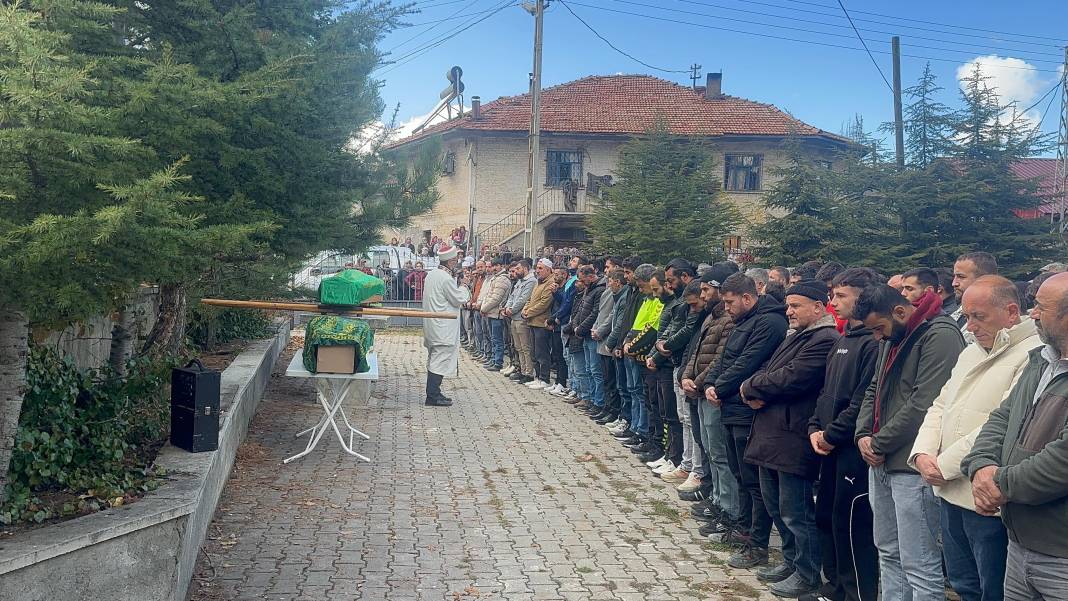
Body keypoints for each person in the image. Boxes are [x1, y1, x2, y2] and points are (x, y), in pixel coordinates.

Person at [910, 276, 1041, 601]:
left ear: (1012, 312)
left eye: (978, 316)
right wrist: (923, 452)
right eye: (966, 316)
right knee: (962, 582)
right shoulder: (971, 352)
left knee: (991, 588)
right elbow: (941, 404)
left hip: (983, 497)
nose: (969, 326)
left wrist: (943, 465)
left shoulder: (1031, 356)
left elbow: (1002, 422)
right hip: (949, 490)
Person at [853, 284, 965, 601]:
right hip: (882, 460)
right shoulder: (895, 335)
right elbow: (874, 388)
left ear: (900, 312)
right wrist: (862, 434)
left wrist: (878, 443)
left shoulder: (939, 334)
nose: (877, 337)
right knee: (888, 552)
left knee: (920, 564)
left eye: (878, 328)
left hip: (911, 465)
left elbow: (924, 403)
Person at [961, 272, 1068, 601]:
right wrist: (980, 466)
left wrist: (998, 485)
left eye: (1040, 307)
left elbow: (1061, 461)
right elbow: (1002, 418)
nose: (1031, 313)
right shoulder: (1041, 361)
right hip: (1019, 543)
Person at [740, 280, 840, 598]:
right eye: (788, 305)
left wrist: (752, 388)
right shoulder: (796, 335)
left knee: (796, 510)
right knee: (776, 505)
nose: (789, 311)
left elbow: (791, 377)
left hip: (792, 435)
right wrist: (753, 386)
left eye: (796, 306)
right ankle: (790, 561)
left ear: (818, 307)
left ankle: (807, 572)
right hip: (772, 435)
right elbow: (769, 369)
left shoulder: (825, 339)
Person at [703, 273, 788, 569]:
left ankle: (758, 545)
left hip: (747, 410)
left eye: (730, 302)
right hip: (730, 407)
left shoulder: (769, 323)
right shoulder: (741, 321)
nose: (725, 307)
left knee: (753, 481)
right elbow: (725, 358)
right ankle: (742, 530)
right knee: (740, 476)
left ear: (748, 298)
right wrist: (710, 383)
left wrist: (720, 387)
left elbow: (748, 362)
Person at [808, 267, 881, 601]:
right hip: (828, 446)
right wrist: (814, 427)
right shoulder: (842, 340)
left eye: (841, 296)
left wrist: (831, 435)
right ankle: (833, 585)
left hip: (849, 449)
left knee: (850, 523)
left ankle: (855, 593)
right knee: (826, 515)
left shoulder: (872, 344)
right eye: (832, 294)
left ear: (863, 298)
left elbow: (862, 400)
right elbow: (825, 393)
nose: (832, 302)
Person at [682, 266, 739, 518]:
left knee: (719, 454)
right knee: (707, 448)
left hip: (710, 393)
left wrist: (698, 381)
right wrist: (686, 375)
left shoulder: (727, 320)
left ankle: (727, 507)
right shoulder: (711, 316)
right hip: (698, 390)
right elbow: (696, 352)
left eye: (706, 289)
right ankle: (716, 498)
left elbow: (720, 358)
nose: (702, 295)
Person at [421, 245, 471, 407]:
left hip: (434, 324)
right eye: (455, 261)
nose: (457, 263)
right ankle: (432, 396)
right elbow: (458, 298)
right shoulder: (445, 278)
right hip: (442, 326)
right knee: (439, 359)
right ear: (450, 261)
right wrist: (464, 286)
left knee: (435, 358)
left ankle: (435, 392)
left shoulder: (432, 274)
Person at [523, 258, 557, 389]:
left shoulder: (550, 283)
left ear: (548, 270)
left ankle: (544, 378)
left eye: (541, 268)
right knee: (534, 352)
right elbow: (530, 299)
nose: (537, 271)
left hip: (541, 323)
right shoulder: (539, 282)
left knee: (542, 352)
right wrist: (525, 310)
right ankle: (537, 376)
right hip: (532, 321)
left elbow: (544, 304)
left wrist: (529, 312)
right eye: (537, 268)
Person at [503, 258, 537, 384]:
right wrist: (507, 307)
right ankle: (522, 371)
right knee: (518, 347)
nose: (516, 271)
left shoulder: (531, 281)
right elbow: (512, 296)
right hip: (513, 317)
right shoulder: (519, 281)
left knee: (525, 347)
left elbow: (523, 299)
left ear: (525, 268)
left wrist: (511, 310)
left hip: (522, 318)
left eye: (518, 269)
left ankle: (528, 373)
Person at [477, 258, 512, 371]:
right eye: (493, 265)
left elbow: (496, 298)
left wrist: (484, 308)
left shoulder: (502, 279)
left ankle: (498, 362)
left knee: (497, 339)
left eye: (497, 265)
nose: (494, 268)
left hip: (497, 313)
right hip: (491, 313)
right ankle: (493, 360)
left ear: (501, 266)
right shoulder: (495, 278)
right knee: (493, 338)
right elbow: (488, 295)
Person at [952, 252, 999, 328]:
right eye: (954, 277)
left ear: (984, 279)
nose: (954, 283)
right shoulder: (959, 312)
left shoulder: (999, 315)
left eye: (961, 277)